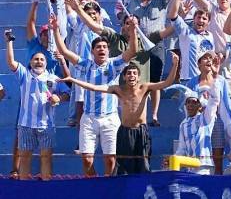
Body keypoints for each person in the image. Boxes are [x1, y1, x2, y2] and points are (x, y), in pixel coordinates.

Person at [51, 15, 138, 177]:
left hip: (110, 118)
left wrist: (133, 30)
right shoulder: (86, 65)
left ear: (108, 49)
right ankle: (95, 186)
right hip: (89, 118)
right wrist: (55, 30)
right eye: (98, 47)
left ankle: (107, 189)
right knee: (86, 160)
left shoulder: (114, 64)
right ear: (92, 51)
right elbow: (64, 51)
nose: (102, 49)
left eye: (105, 46)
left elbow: (132, 51)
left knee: (111, 160)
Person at [62, 56, 179, 174]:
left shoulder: (145, 87)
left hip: (141, 132)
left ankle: (141, 191)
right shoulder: (119, 90)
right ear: (124, 77)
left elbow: (166, 83)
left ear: (138, 77)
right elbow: (94, 87)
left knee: (143, 165)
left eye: (134, 73)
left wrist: (174, 65)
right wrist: (73, 80)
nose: (131, 76)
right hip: (124, 132)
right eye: (128, 73)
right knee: (123, 166)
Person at [4, 30, 64, 180]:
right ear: (30, 62)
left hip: (46, 125)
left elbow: (67, 93)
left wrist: (59, 98)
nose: (38, 61)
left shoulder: (53, 78)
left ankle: (45, 184)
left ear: (46, 63)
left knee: (45, 157)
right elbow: (11, 62)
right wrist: (9, 42)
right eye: (36, 59)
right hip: (25, 125)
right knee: (25, 157)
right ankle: (24, 187)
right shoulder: (24, 75)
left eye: (41, 59)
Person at [129, 0, 171, 125]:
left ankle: (154, 115)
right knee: (139, 81)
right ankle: (141, 116)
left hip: (156, 44)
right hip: (139, 45)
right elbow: (124, 24)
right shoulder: (132, 3)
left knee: (155, 81)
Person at [168, 0, 215, 83]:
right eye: (198, 17)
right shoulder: (186, 32)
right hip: (189, 80)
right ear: (194, 19)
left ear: (208, 22)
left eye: (204, 18)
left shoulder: (210, 36)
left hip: (206, 80)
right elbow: (172, 15)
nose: (201, 20)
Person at [175, 78, 221, 175]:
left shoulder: (205, 119)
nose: (190, 105)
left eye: (194, 102)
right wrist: (173, 159)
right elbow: (182, 149)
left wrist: (213, 81)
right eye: (188, 102)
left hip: (204, 167)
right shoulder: (183, 124)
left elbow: (214, 100)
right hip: (190, 167)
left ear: (200, 106)